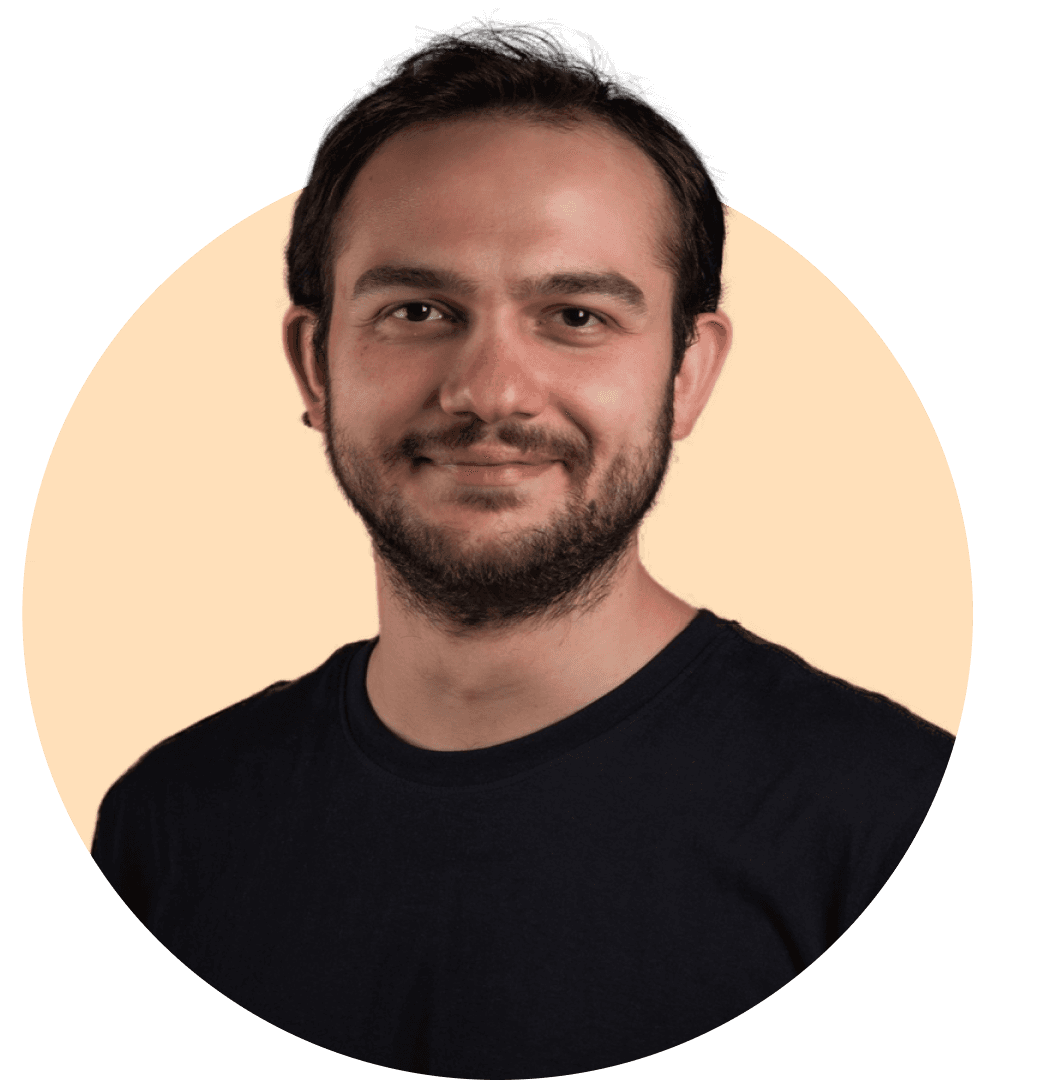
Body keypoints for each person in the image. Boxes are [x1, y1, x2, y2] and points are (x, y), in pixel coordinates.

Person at [92, 16, 954, 1077]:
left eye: (576, 317)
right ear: (315, 366)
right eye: (418, 309)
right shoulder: (167, 827)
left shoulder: (905, 828)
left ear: (687, 374)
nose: (492, 393)